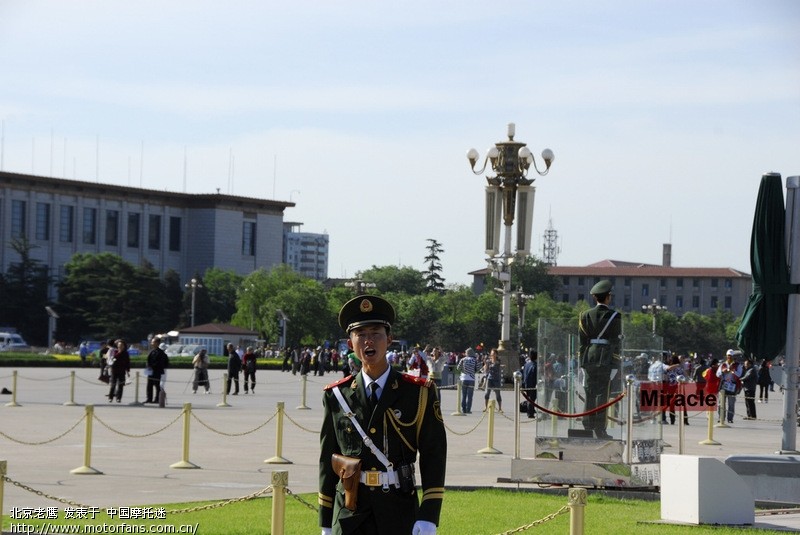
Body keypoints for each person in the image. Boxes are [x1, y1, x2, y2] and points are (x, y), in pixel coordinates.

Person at [319, 295, 446, 535]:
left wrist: (429, 515)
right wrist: (326, 521)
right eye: (361, 334)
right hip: (349, 513)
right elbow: (328, 460)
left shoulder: (418, 393)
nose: (369, 341)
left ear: (389, 339)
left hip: (397, 511)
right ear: (350, 343)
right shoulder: (337, 395)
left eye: (376, 333)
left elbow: (434, 455)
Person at [578, 280, 622, 439]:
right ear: (608, 297)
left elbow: (582, 342)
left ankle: (587, 426)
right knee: (602, 394)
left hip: (589, 356)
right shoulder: (615, 316)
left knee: (589, 392)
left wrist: (581, 363)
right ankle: (599, 429)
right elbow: (616, 341)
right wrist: (616, 363)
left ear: (595, 298)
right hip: (606, 357)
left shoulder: (584, 315)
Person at [717, 357, 743, 424]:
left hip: (732, 386)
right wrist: (723, 371)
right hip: (723, 386)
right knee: (721, 403)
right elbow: (718, 374)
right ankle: (721, 417)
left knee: (731, 404)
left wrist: (733, 371)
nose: (730, 358)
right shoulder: (723, 364)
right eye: (728, 356)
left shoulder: (738, 365)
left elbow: (739, 374)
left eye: (731, 357)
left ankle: (730, 418)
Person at [145, 337, 169, 404]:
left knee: (157, 385)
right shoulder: (152, 351)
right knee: (149, 385)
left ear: (157, 343)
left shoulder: (161, 353)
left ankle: (157, 399)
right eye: (152, 342)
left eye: (153, 342)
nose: (151, 343)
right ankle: (149, 398)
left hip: (156, 371)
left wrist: (152, 366)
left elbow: (159, 363)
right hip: (150, 371)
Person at [457, 348, 478, 414]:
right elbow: (477, 369)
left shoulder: (463, 359)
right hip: (471, 379)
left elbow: (458, 368)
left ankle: (463, 409)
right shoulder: (475, 360)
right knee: (470, 396)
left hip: (463, 378)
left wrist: (463, 371)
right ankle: (468, 409)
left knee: (464, 395)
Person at [482, 348, 503, 413]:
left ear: (496, 354)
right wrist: (485, 367)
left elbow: (497, 364)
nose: (492, 355)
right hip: (490, 378)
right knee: (487, 393)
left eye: (493, 353)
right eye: (491, 353)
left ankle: (500, 408)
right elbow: (486, 370)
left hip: (496, 379)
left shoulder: (498, 361)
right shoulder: (488, 361)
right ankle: (486, 408)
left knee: (498, 394)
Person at [522, 349, 537, 418]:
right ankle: (530, 412)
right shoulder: (535, 365)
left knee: (529, 397)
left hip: (526, 383)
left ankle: (530, 410)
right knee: (532, 398)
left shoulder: (526, 364)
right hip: (533, 384)